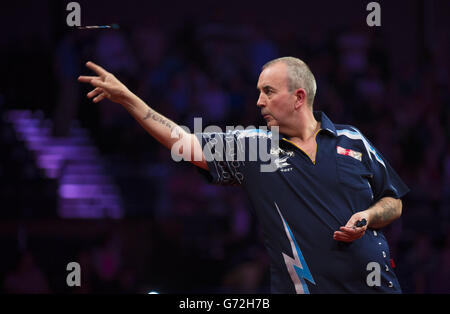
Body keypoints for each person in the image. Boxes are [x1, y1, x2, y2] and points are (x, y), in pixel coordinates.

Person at [78, 56, 409, 293]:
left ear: (298, 97)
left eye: (268, 91)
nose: (258, 101)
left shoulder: (353, 139)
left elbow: (393, 200)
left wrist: (368, 215)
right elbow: (183, 141)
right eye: (258, 92)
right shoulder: (255, 147)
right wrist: (128, 99)